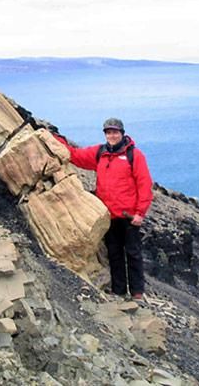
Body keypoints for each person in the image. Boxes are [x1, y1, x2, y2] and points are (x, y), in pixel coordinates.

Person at [54, 118, 153, 300]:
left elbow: (144, 184)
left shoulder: (134, 155)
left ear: (122, 133)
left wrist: (140, 213)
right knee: (114, 254)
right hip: (108, 215)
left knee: (133, 254)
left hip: (129, 215)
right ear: (105, 134)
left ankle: (138, 293)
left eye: (115, 132)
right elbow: (76, 156)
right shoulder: (100, 153)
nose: (112, 135)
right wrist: (57, 140)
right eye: (108, 132)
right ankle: (119, 291)